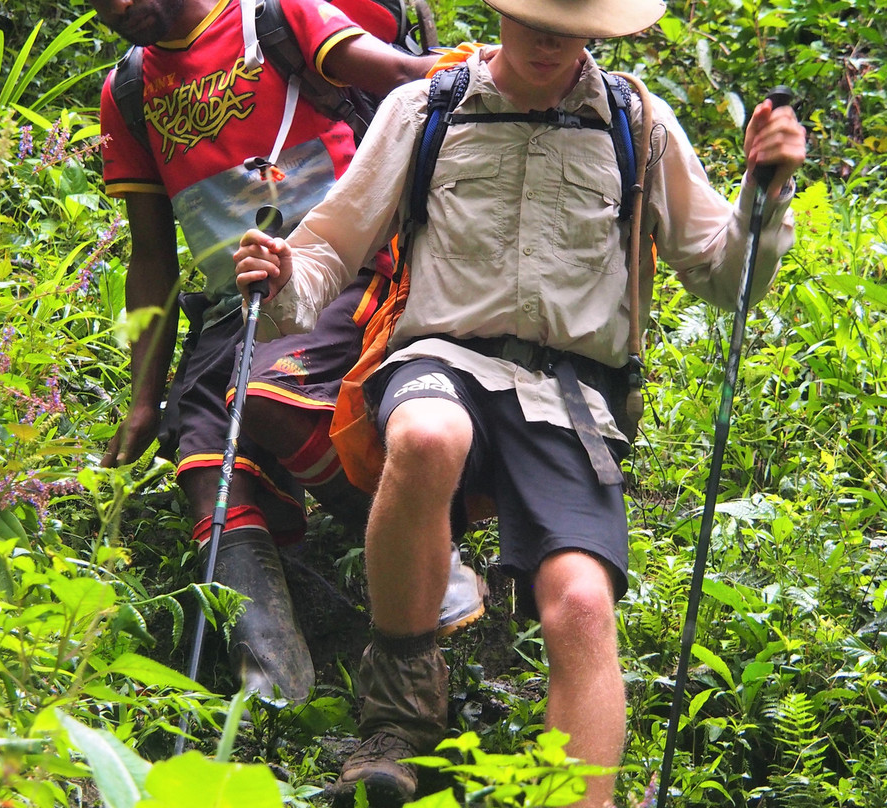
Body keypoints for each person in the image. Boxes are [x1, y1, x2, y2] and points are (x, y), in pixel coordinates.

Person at [233, 0, 807, 804]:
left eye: (571, 25)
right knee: (427, 436)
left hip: (569, 392)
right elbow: (335, 243)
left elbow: (719, 274)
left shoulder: (638, 121)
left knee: (579, 602)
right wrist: (285, 271)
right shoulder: (425, 105)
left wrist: (764, 192)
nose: (550, 40)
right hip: (442, 352)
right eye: (535, 18)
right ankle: (398, 719)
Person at [90, 0, 485, 703]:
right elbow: (151, 253)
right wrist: (144, 399)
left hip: (344, 269)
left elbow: (397, 73)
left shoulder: (269, 19)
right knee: (204, 457)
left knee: (268, 397)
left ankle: (429, 565)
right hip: (236, 305)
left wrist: (488, 70)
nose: (113, 11)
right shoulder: (127, 90)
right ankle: (271, 680)